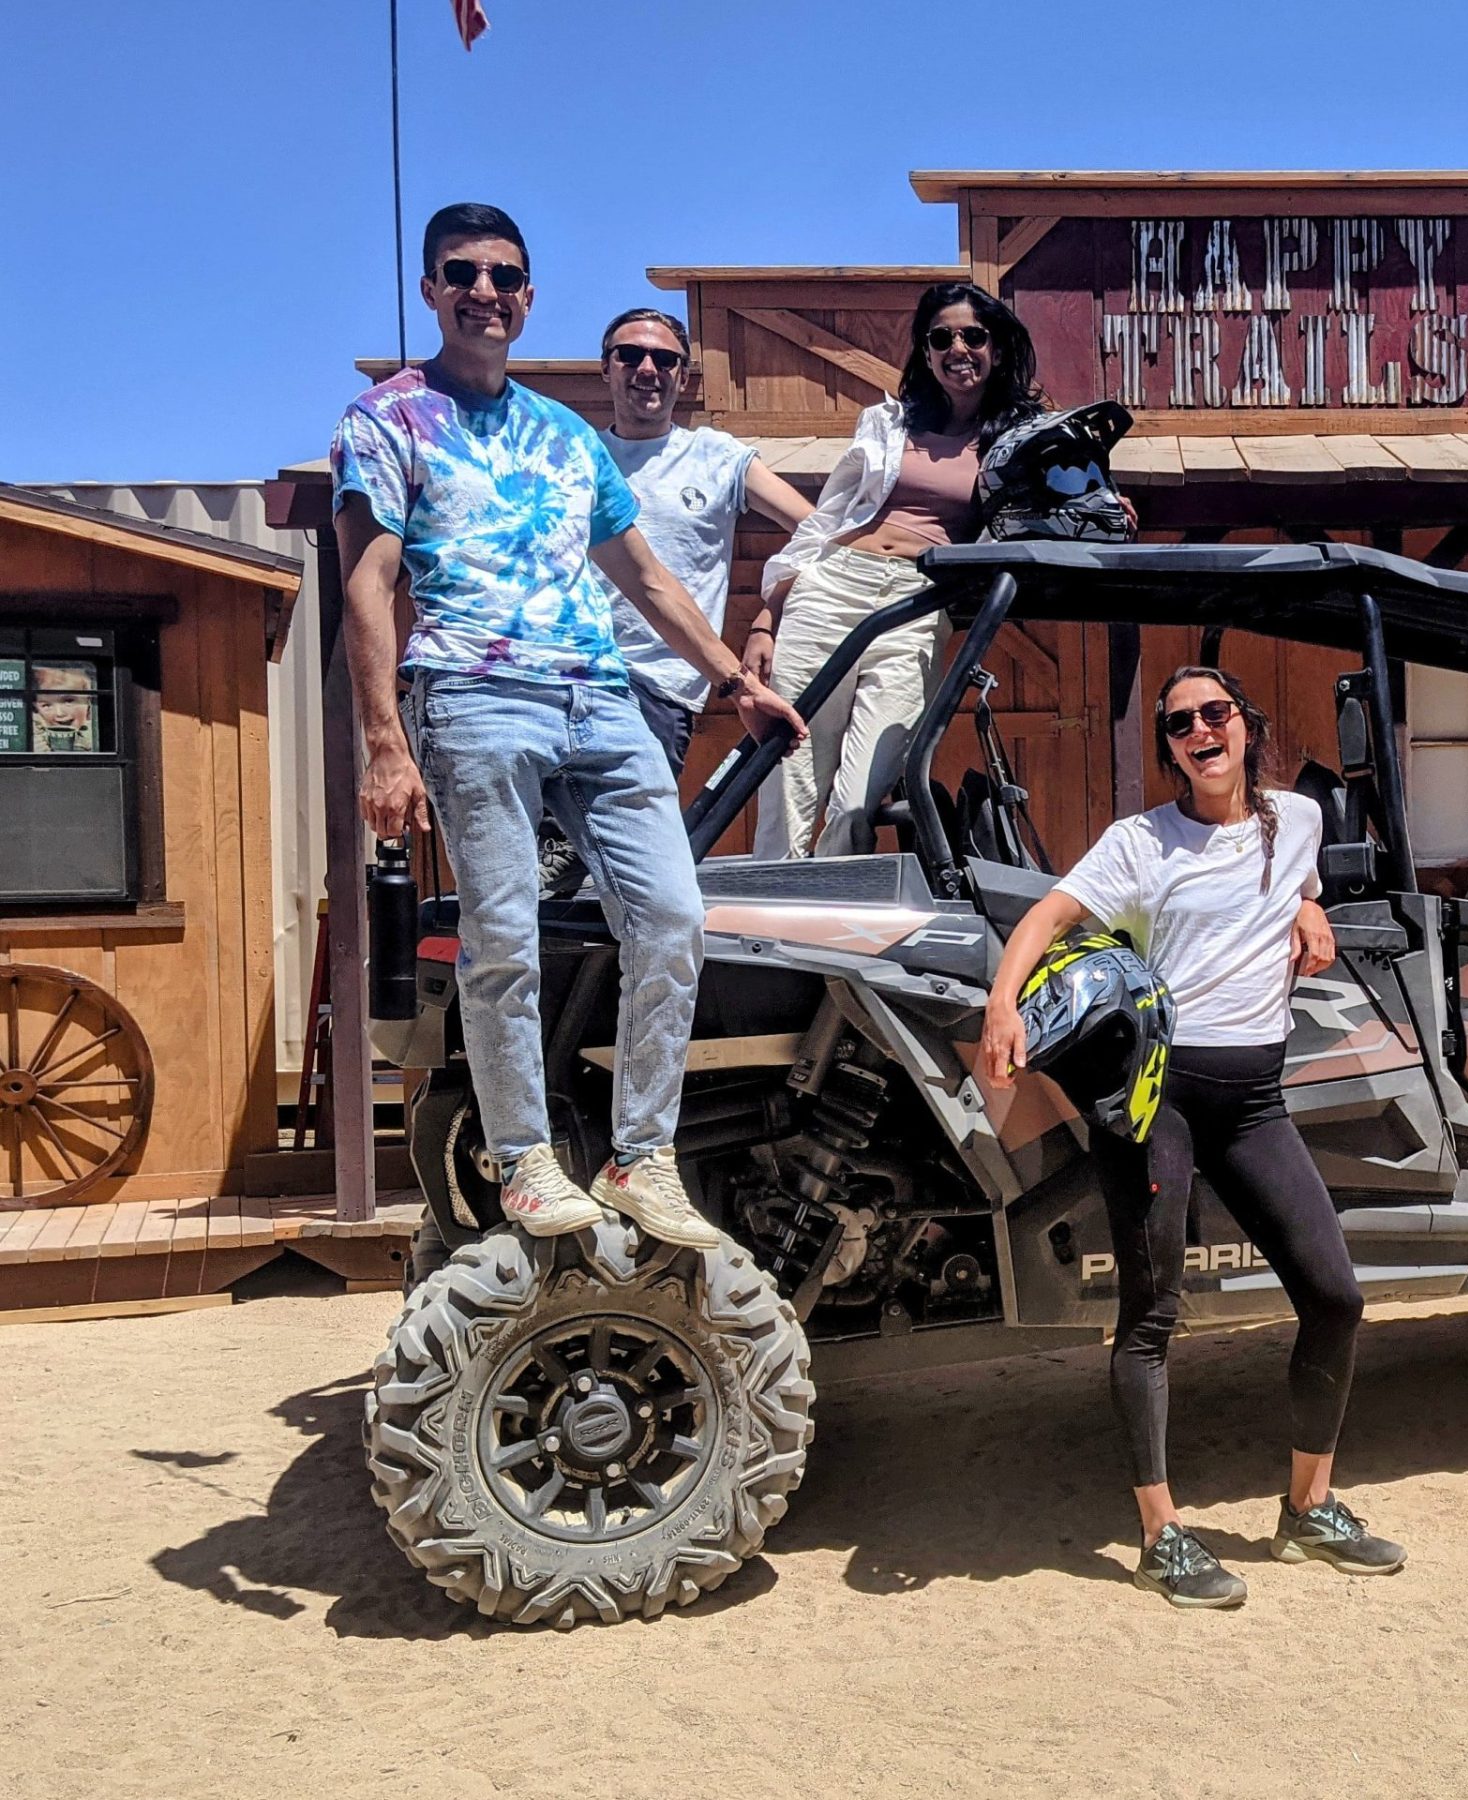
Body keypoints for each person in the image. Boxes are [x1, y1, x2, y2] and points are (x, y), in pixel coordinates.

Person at [331, 202, 804, 1247]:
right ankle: (525, 1160)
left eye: (504, 276)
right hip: (472, 690)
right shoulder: (387, 422)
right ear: (430, 290)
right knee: (504, 933)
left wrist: (735, 678)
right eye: (462, 273)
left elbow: (644, 575)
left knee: (674, 915)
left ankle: (643, 1155)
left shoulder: (563, 433)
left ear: (529, 298)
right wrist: (382, 741)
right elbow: (365, 586)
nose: (484, 292)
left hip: (601, 695)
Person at [978, 668, 1405, 1608]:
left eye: (1216, 714)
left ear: (1246, 726)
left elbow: (1285, 885)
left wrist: (1308, 907)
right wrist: (1003, 1004)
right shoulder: (1141, 843)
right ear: (1169, 747)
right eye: (1180, 725)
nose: (1201, 732)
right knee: (1151, 1313)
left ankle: (1308, 1511)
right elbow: (1048, 916)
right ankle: (1161, 1532)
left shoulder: (1297, 821)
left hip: (1254, 1102)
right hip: (1158, 1099)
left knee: (1335, 1297)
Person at [748, 281, 1044, 858]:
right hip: (833, 584)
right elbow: (825, 518)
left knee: (863, 794)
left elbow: (1064, 491)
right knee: (790, 768)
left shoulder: (1019, 438)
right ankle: (774, 922)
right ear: (927, 352)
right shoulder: (888, 424)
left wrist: (1102, 503)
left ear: (998, 349)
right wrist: (765, 617)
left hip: (917, 601)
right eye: (942, 338)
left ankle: (832, 923)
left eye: (973, 336)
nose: (958, 348)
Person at [538, 307, 816, 892]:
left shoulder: (718, 458)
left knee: (628, 866)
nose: (648, 369)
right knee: (551, 870)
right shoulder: (574, 459)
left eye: (664, 359)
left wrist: (767, 618)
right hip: (568, 676)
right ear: (606, 371)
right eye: (630, 355)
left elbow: (817, 531)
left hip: (662, 690)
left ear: (682, 378)